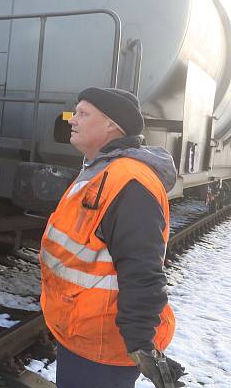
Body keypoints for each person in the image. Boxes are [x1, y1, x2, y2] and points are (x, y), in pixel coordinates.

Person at [39, 87, 186, 388]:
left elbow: (142, 270)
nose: (72, 119)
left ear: (112, 125)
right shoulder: (100, 171)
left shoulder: (129, 183)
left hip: (104, 347)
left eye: (83, 113)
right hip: (83, 333)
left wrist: (141, 345)